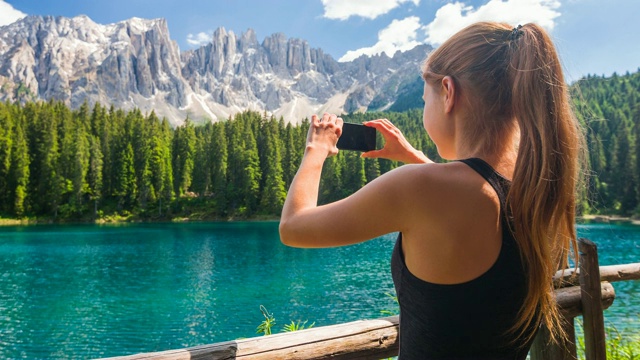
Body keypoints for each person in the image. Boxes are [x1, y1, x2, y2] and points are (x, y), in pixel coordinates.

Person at [279, 21, 585, 359]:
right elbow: (476, 192)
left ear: (449, 93)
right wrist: (414, 157)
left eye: (426, 100)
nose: (425, 110)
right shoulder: (538, 189)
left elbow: (294, 227)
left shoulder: (422, 188)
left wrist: (316, 149)